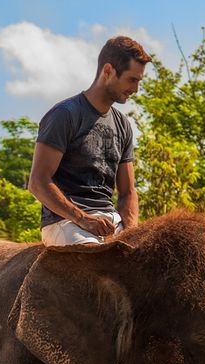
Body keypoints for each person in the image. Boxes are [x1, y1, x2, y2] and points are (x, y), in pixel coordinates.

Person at [28, 36, 151, 247]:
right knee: (95, 264)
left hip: (110, 222)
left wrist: (130, 235)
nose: (136, 89)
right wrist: (83, 219)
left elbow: (128, 192)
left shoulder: (123, 125)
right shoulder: (65, 114)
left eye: (139, 81)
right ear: (108, 71)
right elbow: (37, 182)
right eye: (132, 80)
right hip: (66, 222)